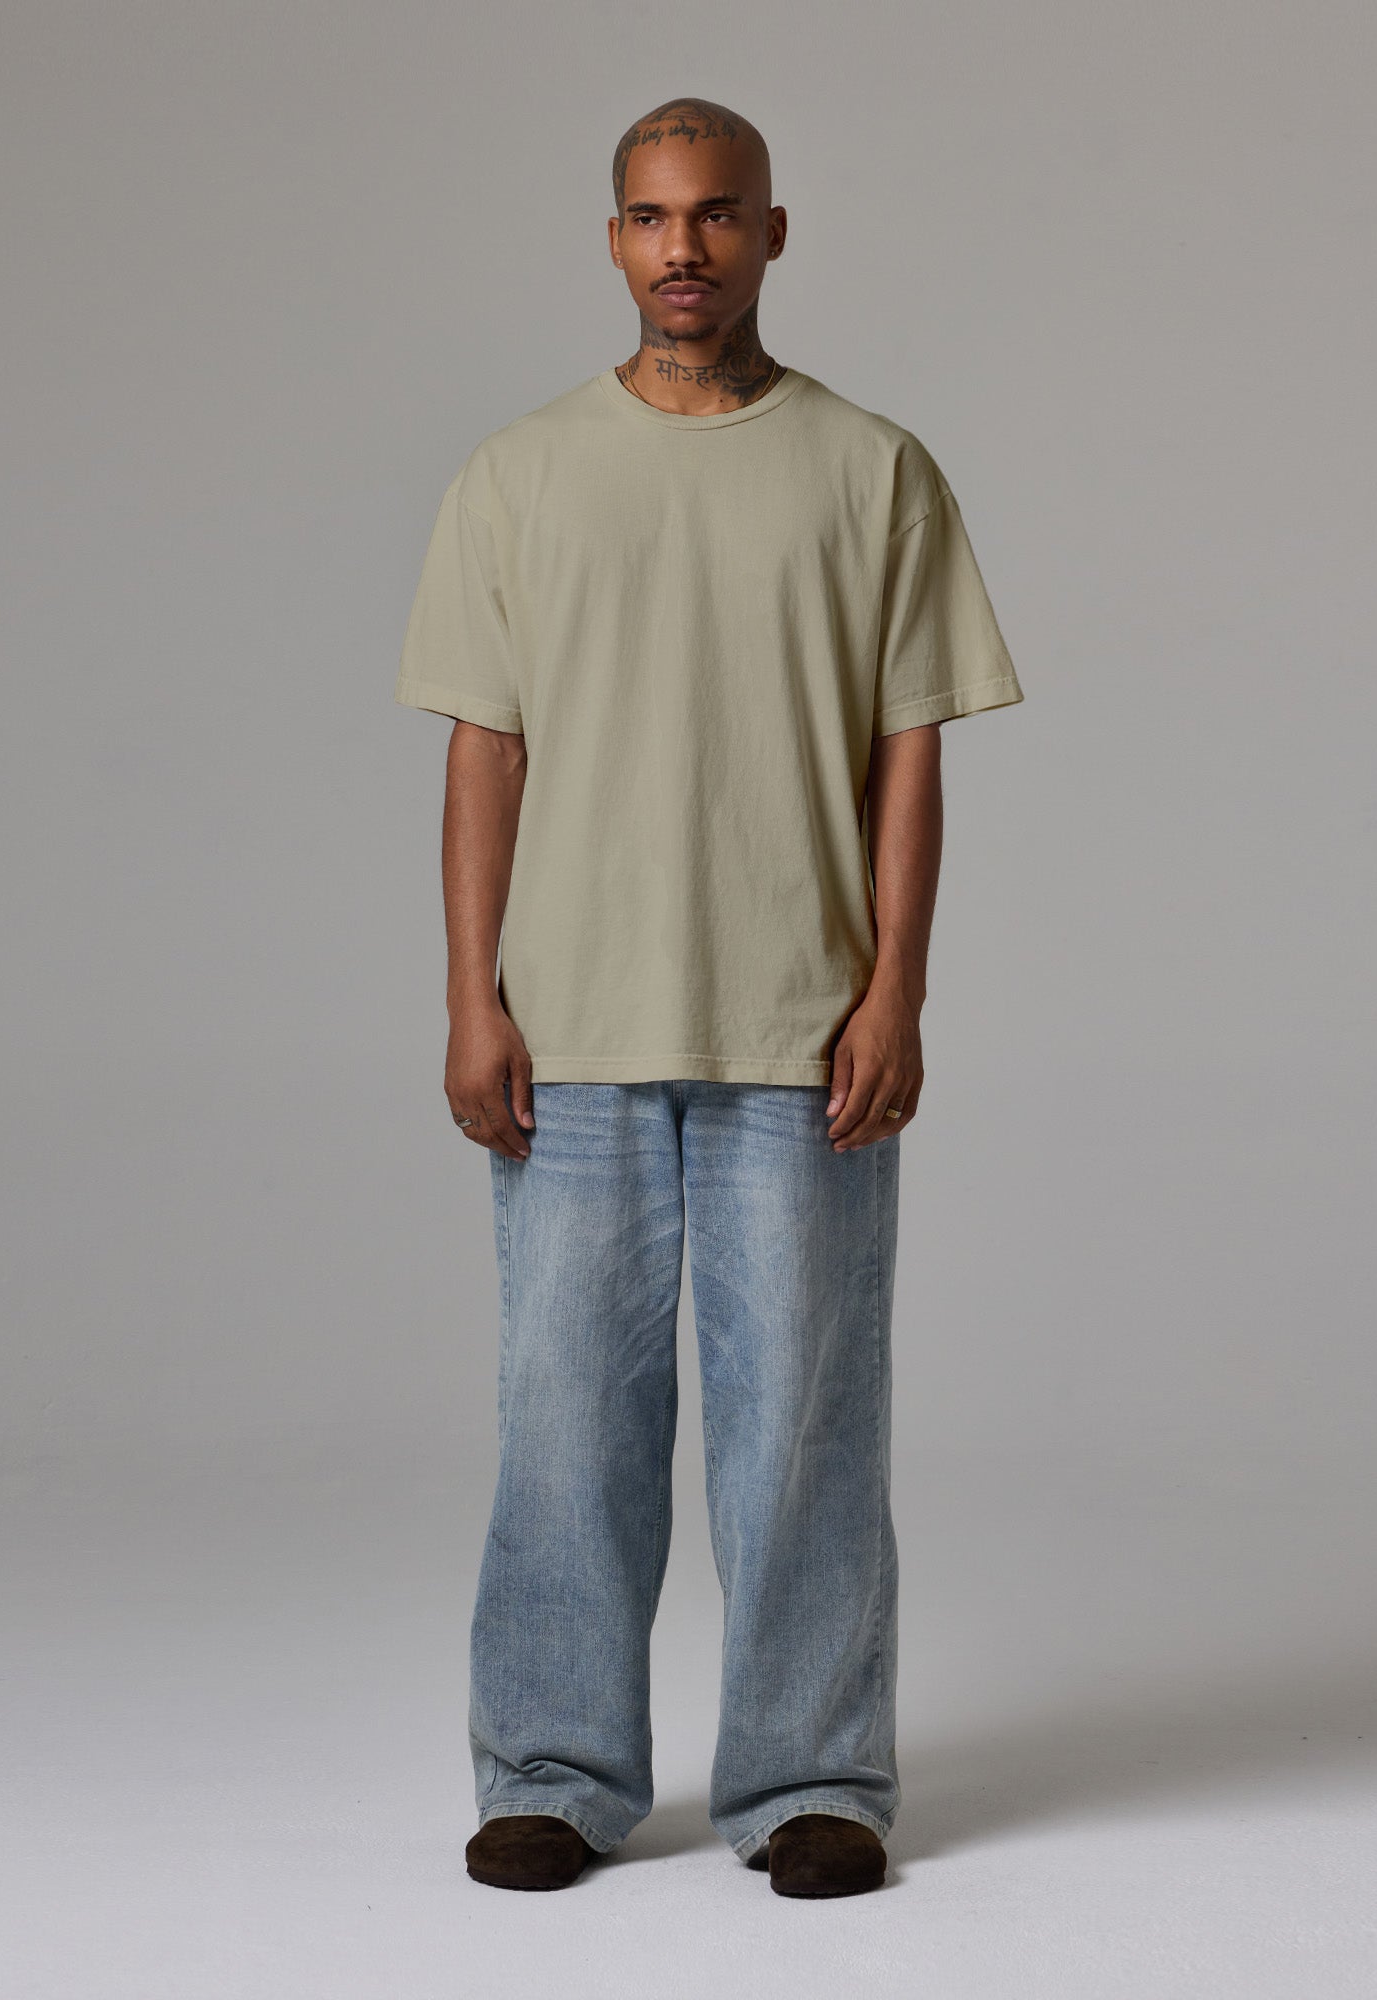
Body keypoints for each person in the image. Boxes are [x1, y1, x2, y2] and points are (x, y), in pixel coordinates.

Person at [393, 96, 1022, 1899]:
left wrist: (896, 992)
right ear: (615, 238)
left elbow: (909, 753)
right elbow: (485, 752)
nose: (686, 247)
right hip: (572, 1028)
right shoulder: (518, 474)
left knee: (804, 1422)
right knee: (563, 1424)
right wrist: (471, 999)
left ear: (772, 232)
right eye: (654, 216)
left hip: (799, 1030)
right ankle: (553, 1768)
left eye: (719, 213)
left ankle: (814, 1777)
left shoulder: (872, 469)